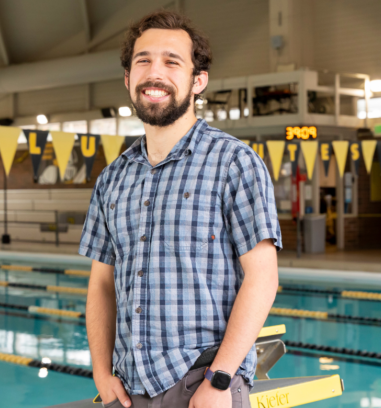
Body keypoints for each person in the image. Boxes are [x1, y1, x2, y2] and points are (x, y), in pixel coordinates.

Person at [79, 10, 281, 408]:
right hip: (127, 387)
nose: (155, 73)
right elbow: (101, 284)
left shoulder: (233, 162)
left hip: (202, 382)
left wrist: (220, 379)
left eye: (172, 62)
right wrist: (102, 373)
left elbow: (263, 278)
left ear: (198, 80)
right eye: (143, 61)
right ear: (128, 79)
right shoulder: (112, 178)